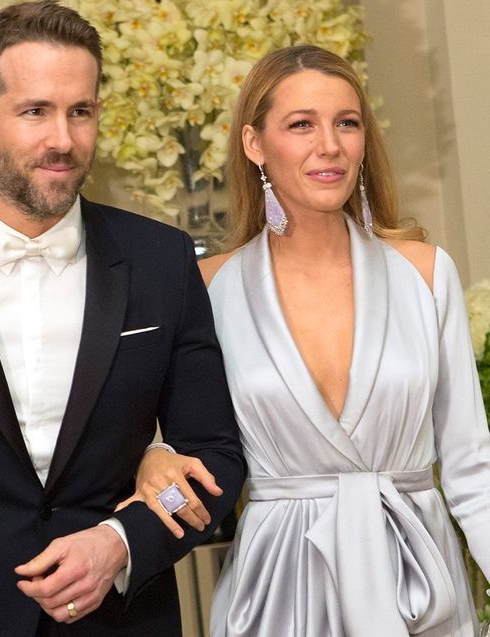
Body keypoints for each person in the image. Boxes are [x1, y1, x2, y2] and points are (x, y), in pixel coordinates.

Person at [0, 2, 246, 635]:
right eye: (35, 111)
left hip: (125, 620)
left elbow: (215, 456)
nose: (63, 139)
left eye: (80, 111)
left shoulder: (160, 260)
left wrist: (123, 539)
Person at [127, 45, 490, 636]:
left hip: (417, 586)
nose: (330, 145)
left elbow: (473, 467)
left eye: (347, 123)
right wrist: (153, 457)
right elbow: (186, 451)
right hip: (278, 591)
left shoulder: (425, 274)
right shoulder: (207, 289)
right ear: (254, 144)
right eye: (301, 125)